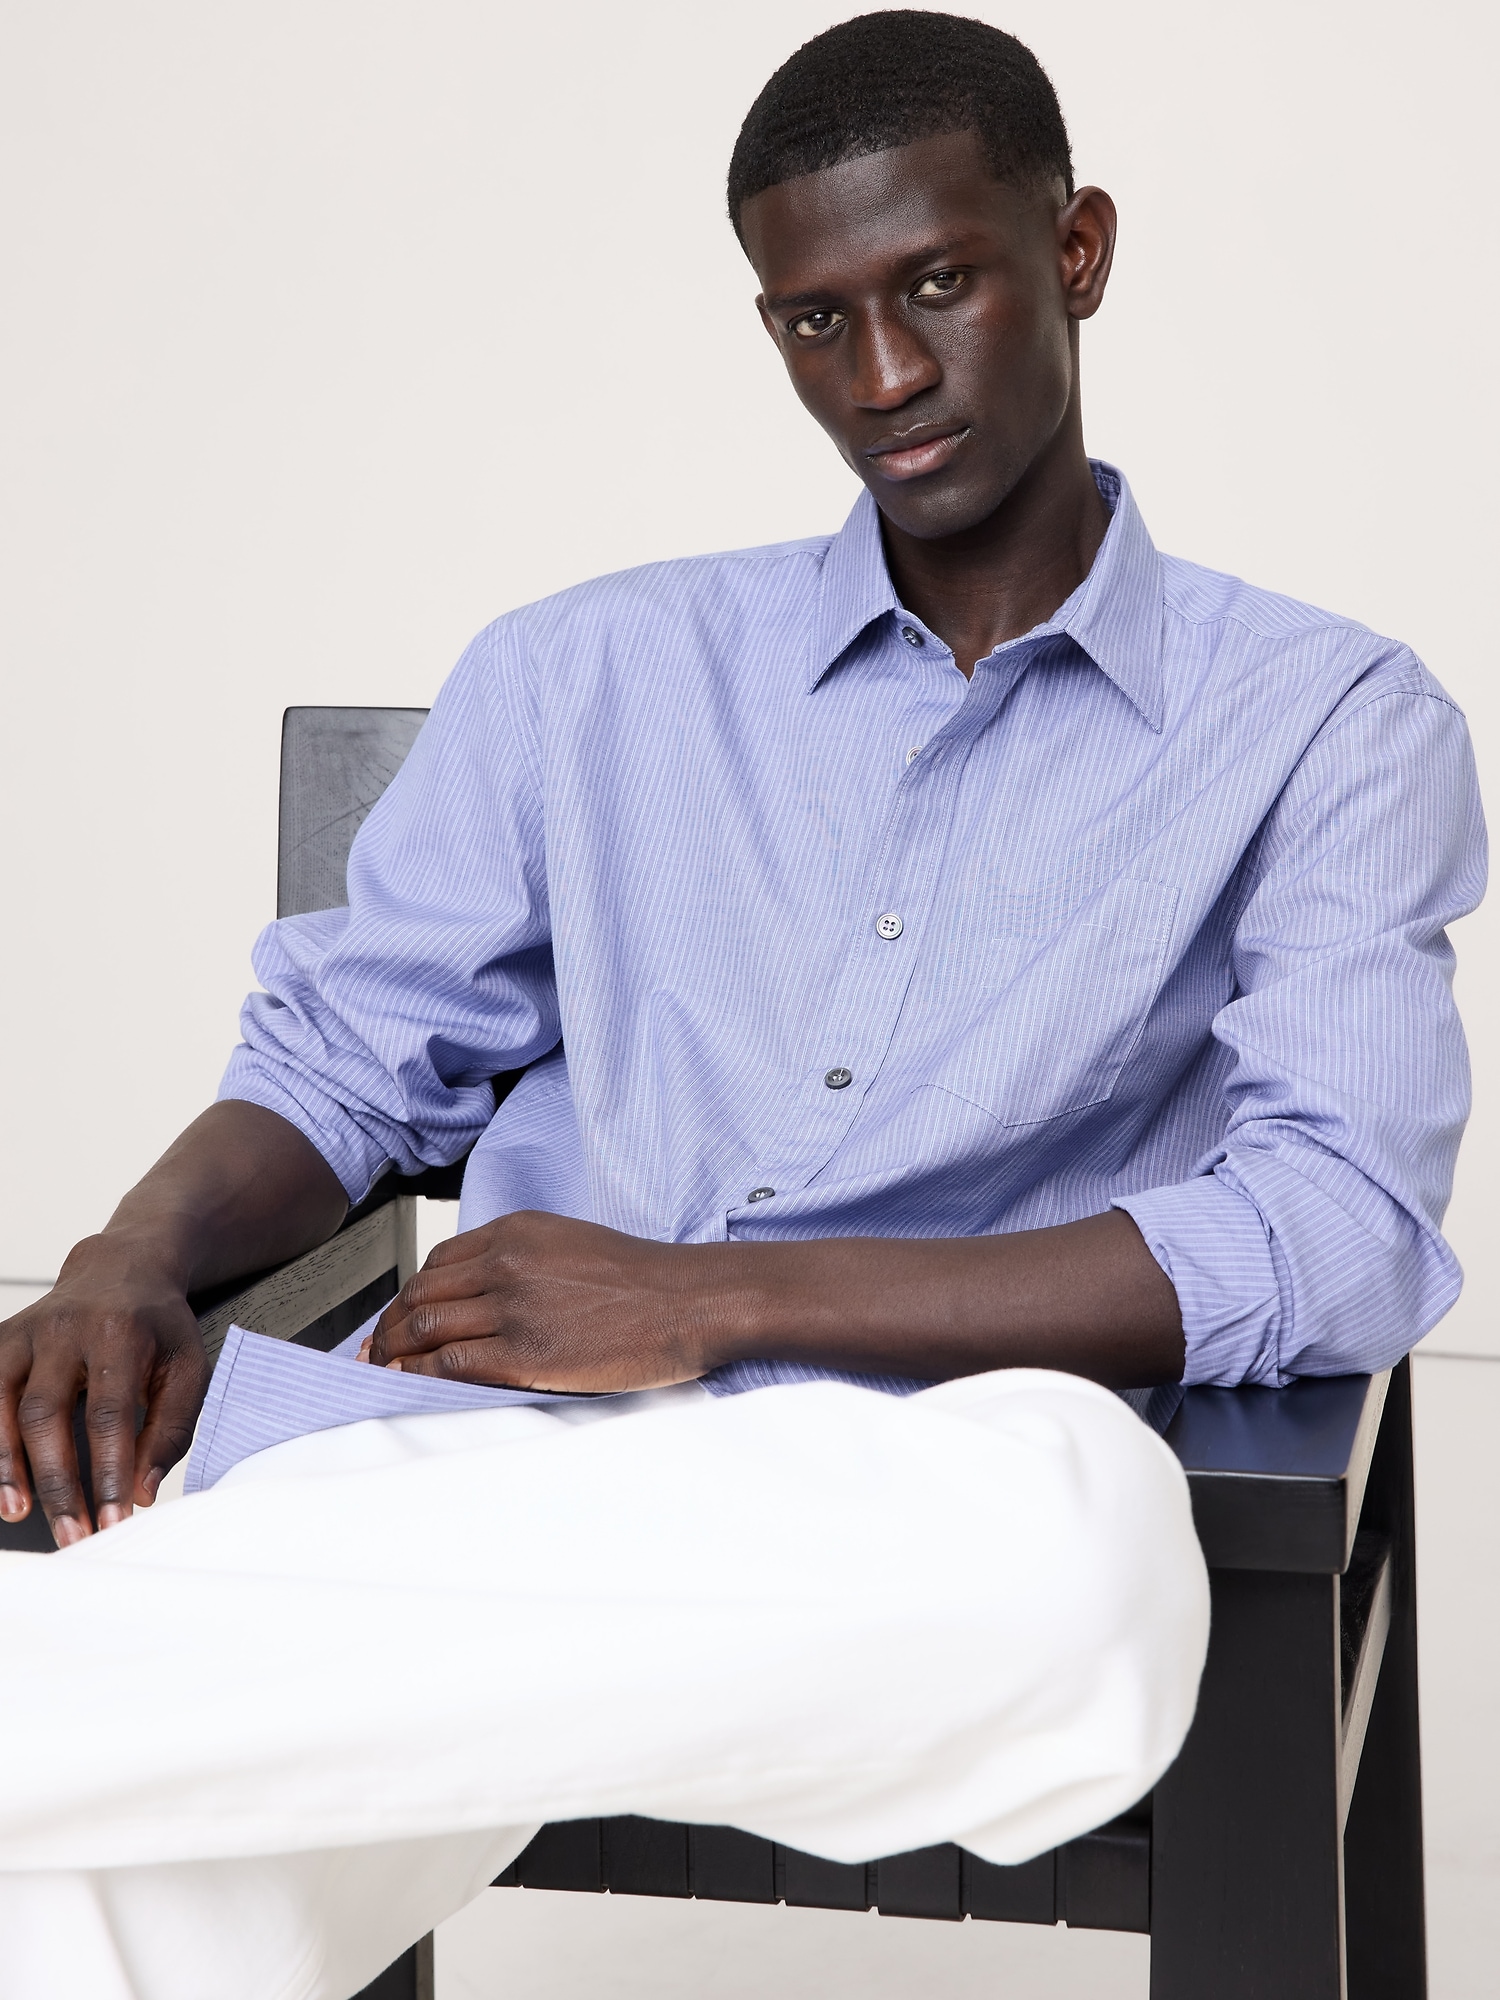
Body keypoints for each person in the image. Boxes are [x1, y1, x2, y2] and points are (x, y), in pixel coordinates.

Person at [0, 11, 1481, 1997]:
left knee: (1075, 1568)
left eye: (937, 285)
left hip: (946, 1479)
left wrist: (711, 1301)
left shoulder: (1328, 719)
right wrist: (122, 1253)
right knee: (105, 1895)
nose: (880, 378)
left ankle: (87, 1693)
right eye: (812, 320)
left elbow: (1339, 1226)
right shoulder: (581, 674)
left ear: (1079, 252)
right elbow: (345, 1063)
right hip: (504, 1466)